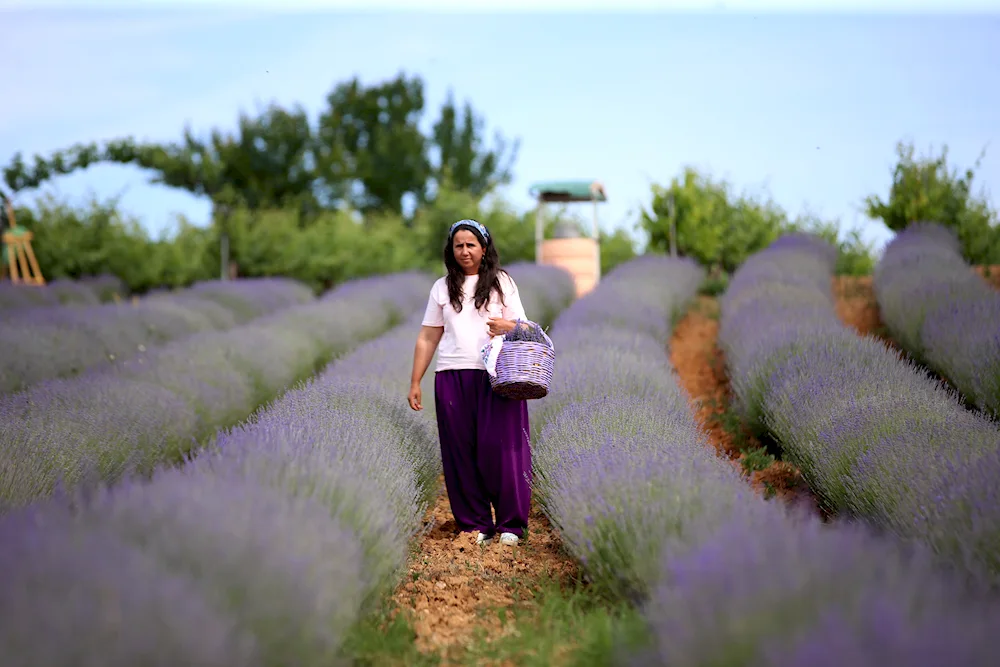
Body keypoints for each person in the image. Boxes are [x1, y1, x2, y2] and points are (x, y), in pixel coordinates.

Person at [408, 218, 531, 547]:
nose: (464, 251)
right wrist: (415, 380)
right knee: (460, 452)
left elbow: (524, 326)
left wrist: (506, 325)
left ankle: (511, 525)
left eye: (470, 245)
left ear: (484, 248)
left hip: (497, 375)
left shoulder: (502, 283)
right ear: (451, 250)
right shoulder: (441, 288)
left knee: (502, 450)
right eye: (458, 245)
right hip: (451, 375)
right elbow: (427, 338)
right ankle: (476, 524)